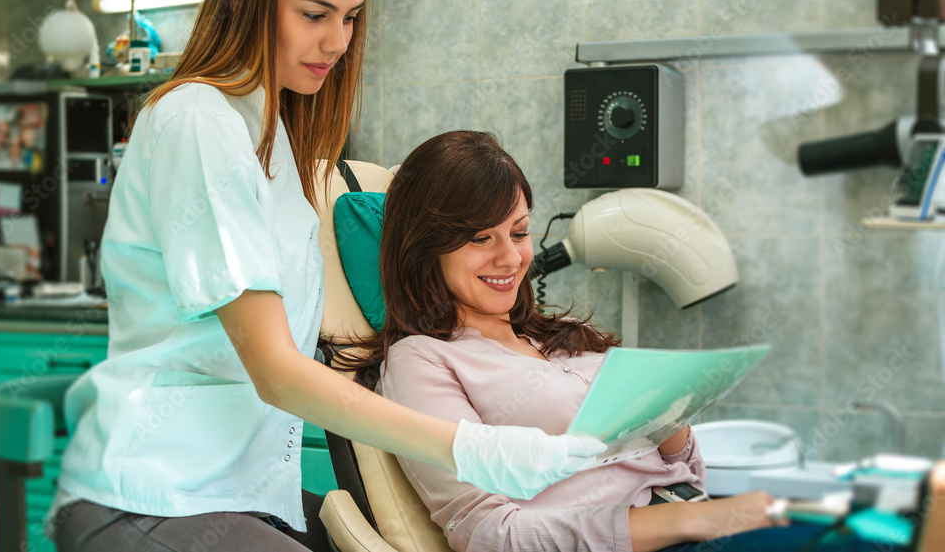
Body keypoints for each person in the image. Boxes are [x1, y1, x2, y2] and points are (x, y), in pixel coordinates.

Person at [46, 0, 604, 552]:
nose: (337, 41)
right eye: (315, 14)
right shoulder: (196, 120)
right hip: (149, 496)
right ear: (249, 1)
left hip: (242, 492)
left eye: (350, 17)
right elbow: (275, 370)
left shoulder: (272, 135)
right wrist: (474, 446)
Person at [340, 130, 912, 552]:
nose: (510, 258)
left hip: (694, 518)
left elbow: (681, 471)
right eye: (479, 239)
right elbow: (492, 535)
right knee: (905, 522)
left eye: (518, 232)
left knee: (912, 505)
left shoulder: (556, 341)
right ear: (424, 247)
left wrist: (673, 418)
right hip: (669, 538)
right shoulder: (422, 361)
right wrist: (686, 523)